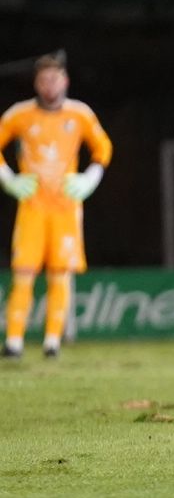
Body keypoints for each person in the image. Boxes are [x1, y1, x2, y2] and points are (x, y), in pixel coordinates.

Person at [0, 51, 113, 359]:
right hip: (32, 206)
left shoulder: (79, 114)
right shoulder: (19, 114)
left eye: (54, 78)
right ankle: (13, 342)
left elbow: (103, 147)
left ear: (65, 81)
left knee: (60, 274)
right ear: (36, 84)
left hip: (66, 207)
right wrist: (8, 178)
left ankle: (53, 342)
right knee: (23, 272)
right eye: (44, 80)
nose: (49, 85)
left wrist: (90, 178)